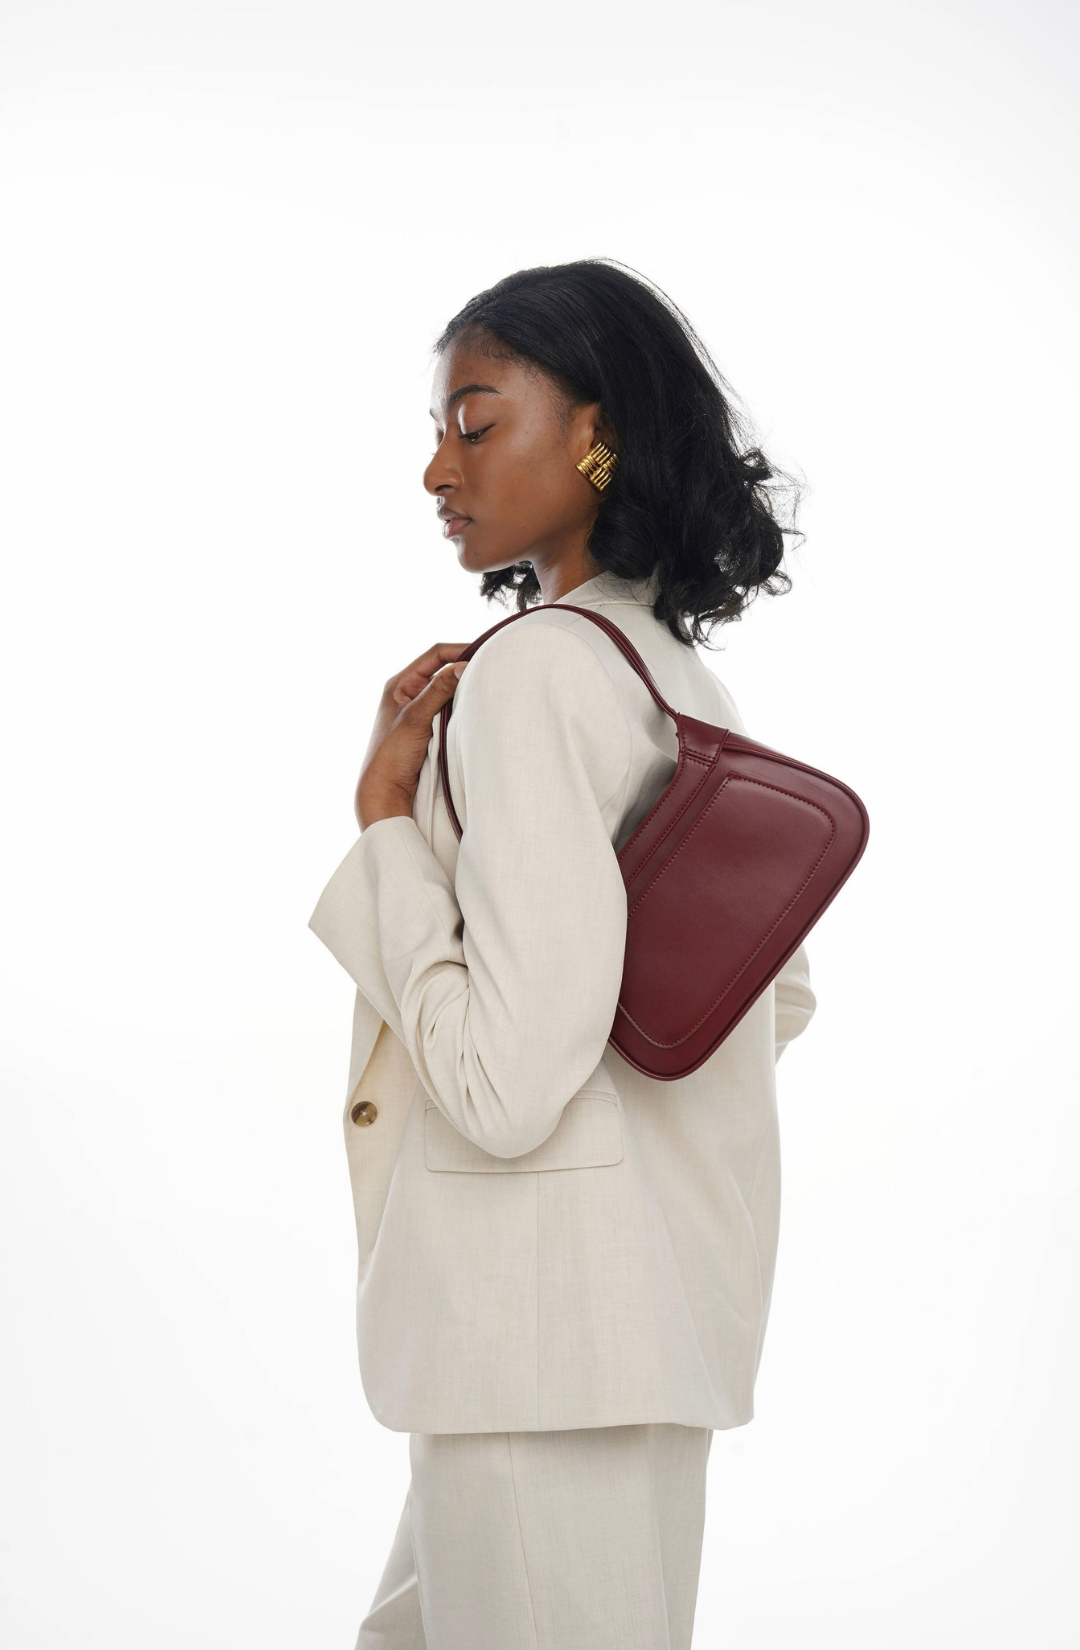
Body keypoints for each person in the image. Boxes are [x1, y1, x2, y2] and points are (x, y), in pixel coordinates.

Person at [308, 259, 817, 1650]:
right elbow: (766, 1004)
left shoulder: (534, 671)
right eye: (438, 430)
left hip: (536, 1356)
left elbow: (505, 1085)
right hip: (622, 1337)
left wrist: (385, 827)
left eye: (476, 422)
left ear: (596, 431)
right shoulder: (676, 680)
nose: (438, 467)